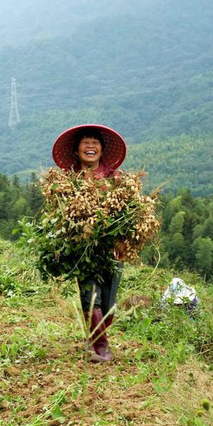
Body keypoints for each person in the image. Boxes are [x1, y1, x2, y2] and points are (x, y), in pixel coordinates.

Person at [52, 124, 126, 363]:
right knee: (90, 295)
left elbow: (128, 213)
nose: (91, 146)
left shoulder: (116, 180)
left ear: (102, 151)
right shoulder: (68, 182)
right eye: (86, 142)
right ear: (76, 151)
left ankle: (94, 338)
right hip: (82, 249)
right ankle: (101, 348)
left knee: (109, 300)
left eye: (95, 142)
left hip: (111, 249)